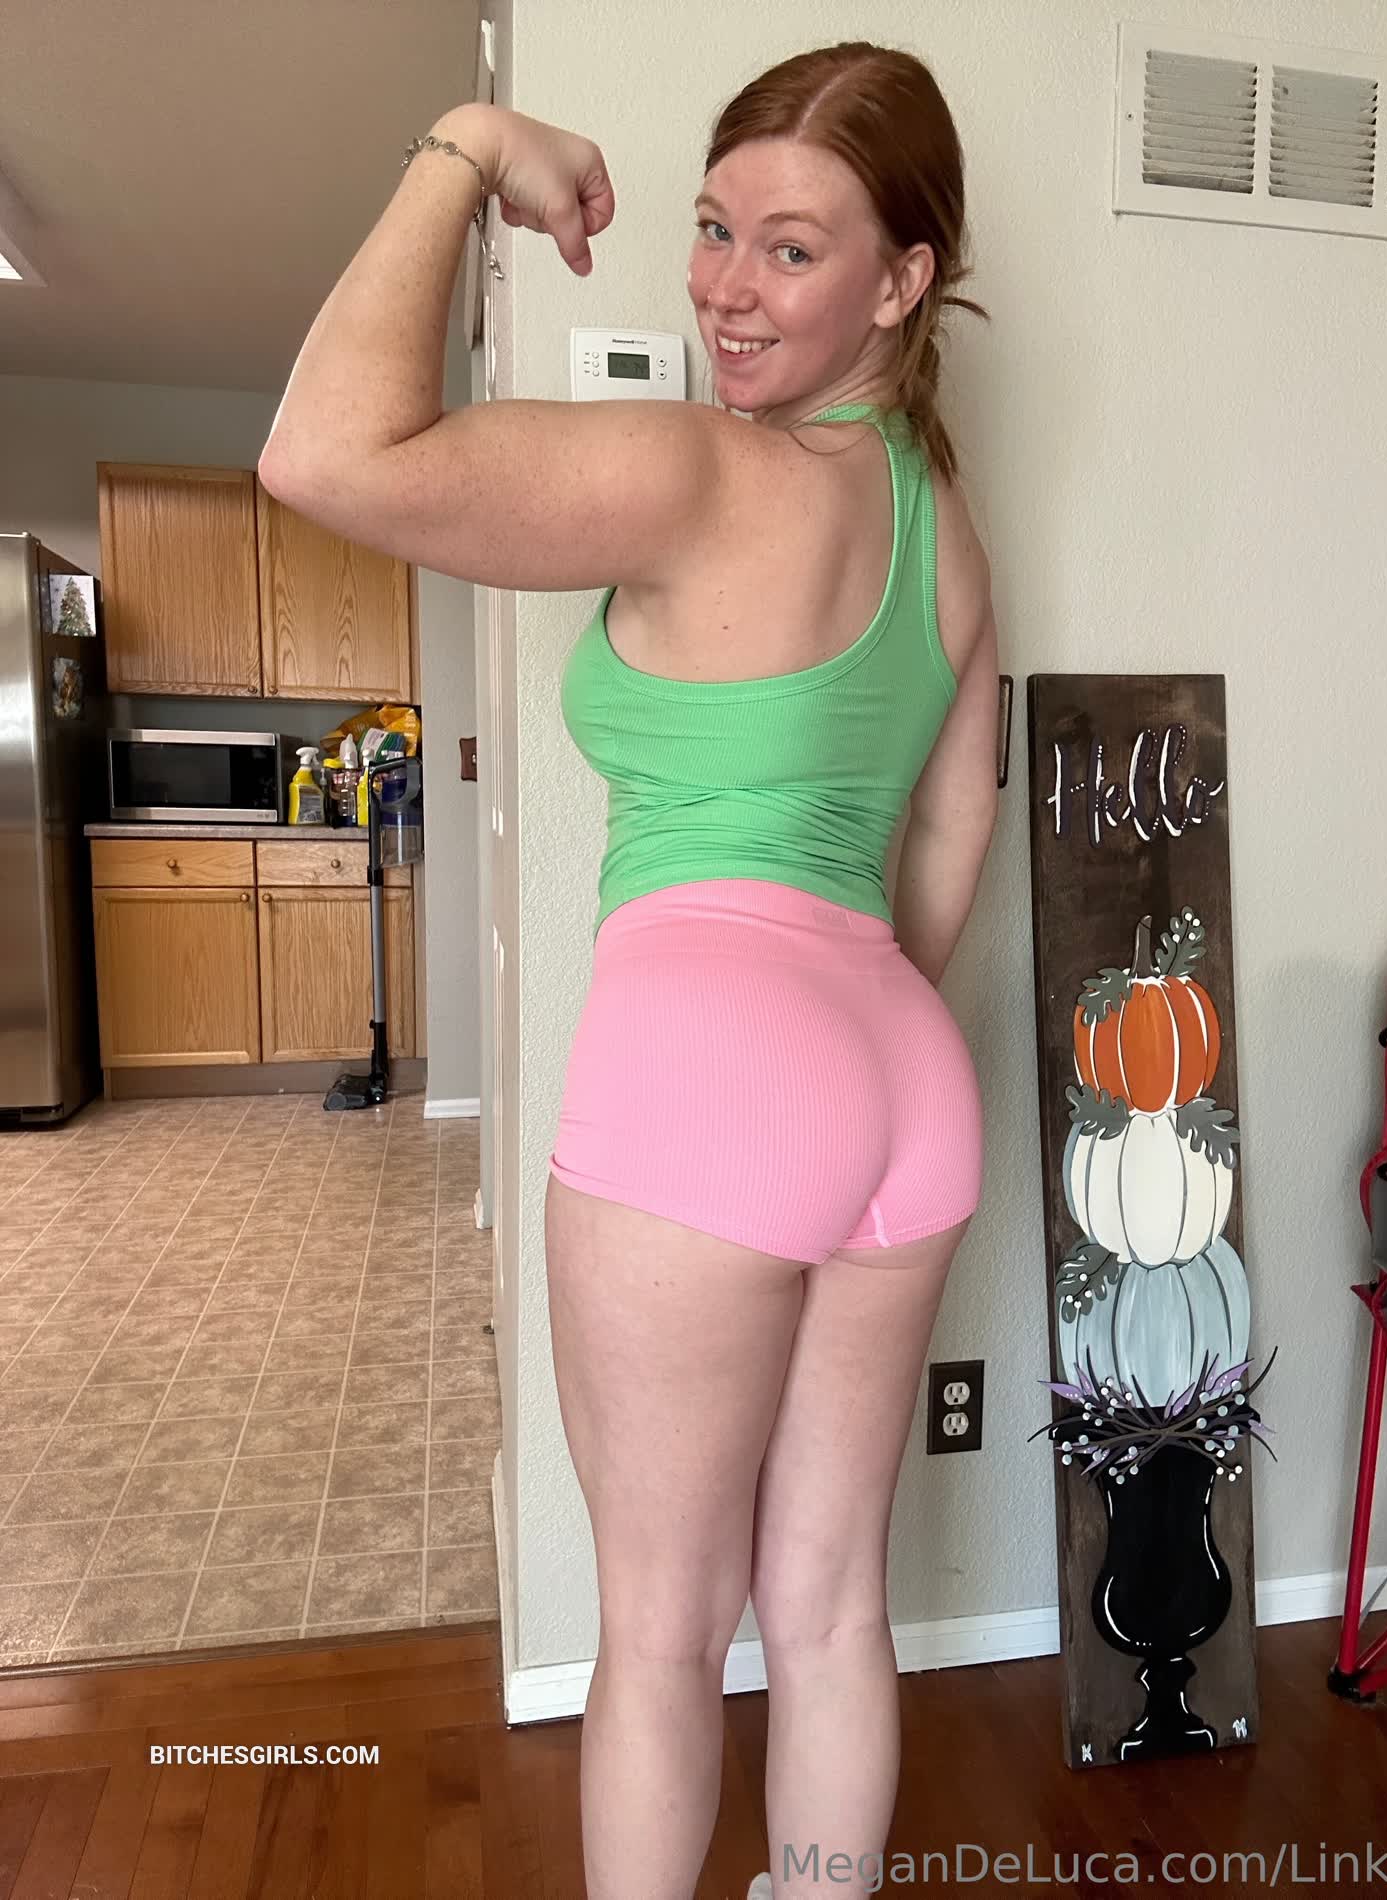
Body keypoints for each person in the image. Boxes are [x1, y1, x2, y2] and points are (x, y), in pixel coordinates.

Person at [258, 37, 998, 1900]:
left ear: (900, 280)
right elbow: (944, 839)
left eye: (792, 249)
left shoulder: (693, 471)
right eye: (711, 229)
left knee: (660, 1634)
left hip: (712, 1069)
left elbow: (320, 451)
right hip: (904, 1075)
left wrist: (464, 147)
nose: (725, 288)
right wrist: (838, 1031)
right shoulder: (940, 524)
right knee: (829, 1608)